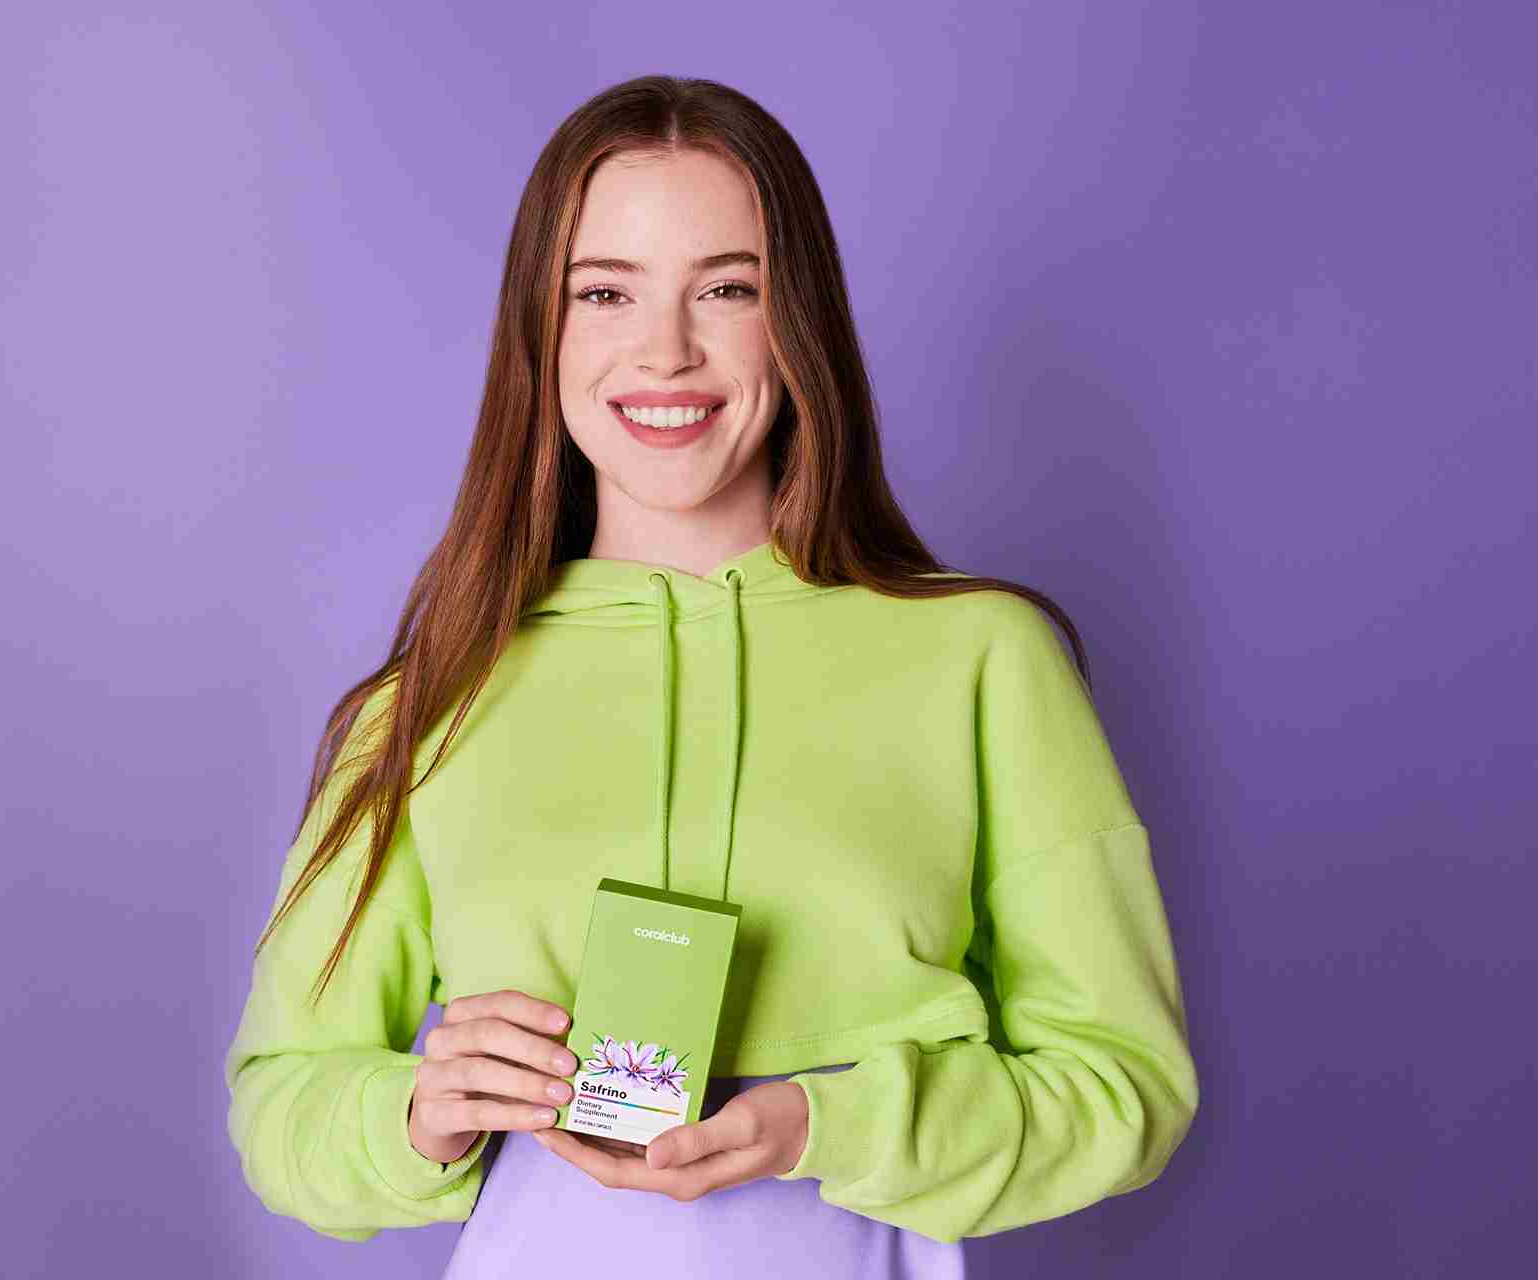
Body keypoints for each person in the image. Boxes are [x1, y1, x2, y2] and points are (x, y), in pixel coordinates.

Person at [221, 75, 1199, 1276]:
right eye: (604, 291)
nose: (666, 350)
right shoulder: (429, 699)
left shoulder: (984, 658)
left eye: (727, 288)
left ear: (799, 323)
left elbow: (1124, 1083)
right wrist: (418, 1110)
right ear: (540, 331)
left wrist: (826, 1123)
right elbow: (281, 1104)